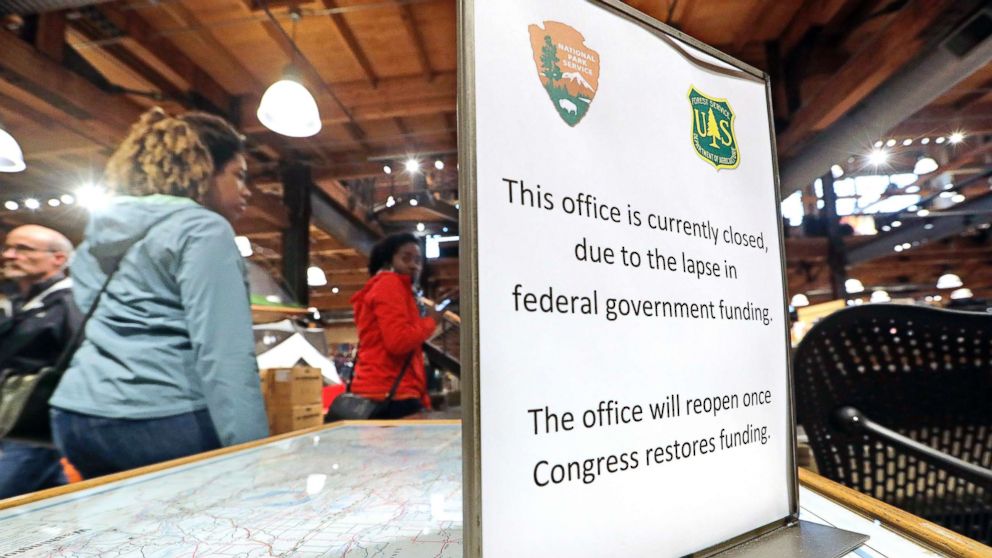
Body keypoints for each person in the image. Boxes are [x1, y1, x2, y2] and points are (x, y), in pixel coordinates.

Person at [49, 107, 268, 479]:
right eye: (238, 175)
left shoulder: (97, 235)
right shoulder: (202, 229)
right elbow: (223, 353)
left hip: (77, 416)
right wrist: (255, 456)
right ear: (203, 170)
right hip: (161, 418)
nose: (247, 190)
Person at [0, 225, 80, 498]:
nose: (10, 255)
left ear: (58, 258)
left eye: (23, 248)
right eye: (8, 247)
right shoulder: (23, 303)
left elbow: (77, 364)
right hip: (14, 426)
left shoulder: (70, 302)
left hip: (34, 431)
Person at [348, 233, 443, 418]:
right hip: (393, 393)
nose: (414, 265)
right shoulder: (390, 285)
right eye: (406, 258)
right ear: (388, 260)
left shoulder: (382, 286)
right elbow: (398, 342)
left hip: (380, 389)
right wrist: (432, 321)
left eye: (418, 260)